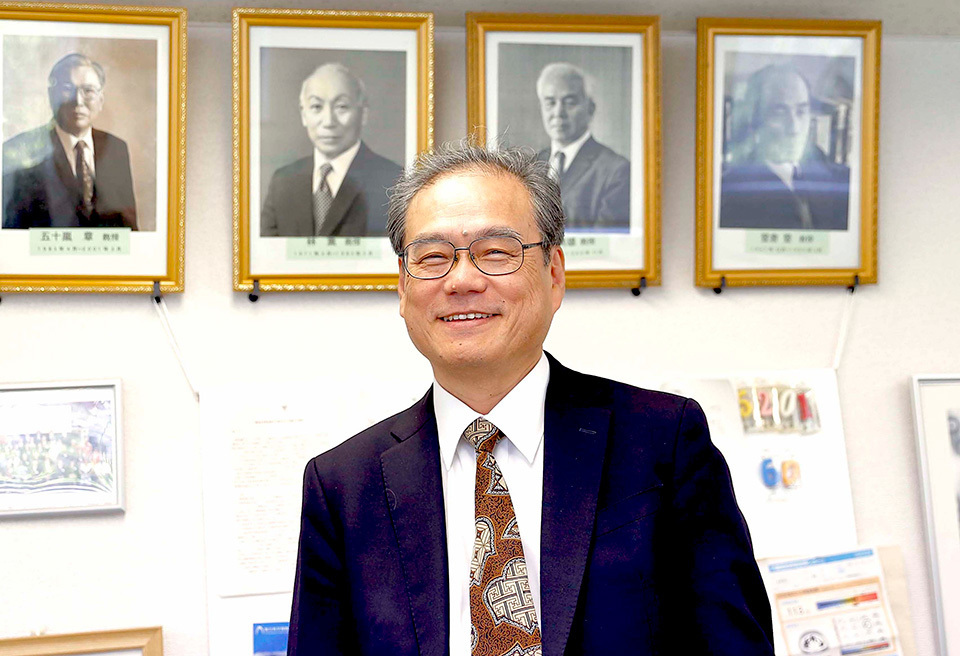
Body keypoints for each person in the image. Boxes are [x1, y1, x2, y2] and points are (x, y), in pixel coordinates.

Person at [287, 142, 774, 656]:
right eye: (431, 258)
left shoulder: (663, 440)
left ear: (554, 274)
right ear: (403, 292)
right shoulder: (343, 485)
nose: (462, 280)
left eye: (495, 252)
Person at [260, 63, 402, 238]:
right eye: (316, 107)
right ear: (304, 115)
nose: (328, 121)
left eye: (341, 107)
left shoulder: (392, 180)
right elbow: (267, 255)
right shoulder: (282, 182)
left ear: (363, 113)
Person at [2, 53, 137, 230]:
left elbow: (129, 229)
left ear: (101, 100)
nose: (78, 101)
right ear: (52, 97)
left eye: (88, 91)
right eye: (67, 89)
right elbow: (12, 233)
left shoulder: (116, 148)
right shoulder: (20, 149)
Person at [719, 64, 850, 231]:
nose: (794, 128)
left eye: (801, 112)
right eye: (780, 113)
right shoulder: (733, 193)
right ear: (754, 119)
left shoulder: (837, 179)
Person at [535, 62, 630, 232]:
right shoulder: (533, 163)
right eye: (550, 103)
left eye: (569, 103)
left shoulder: (615, 170)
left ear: (590, 109)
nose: (558, 113)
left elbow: (606, 244)